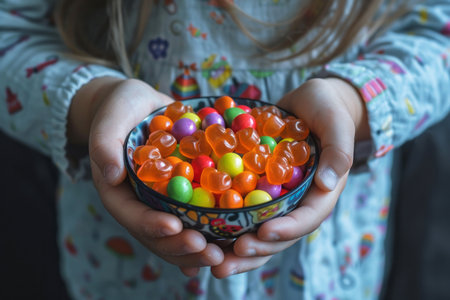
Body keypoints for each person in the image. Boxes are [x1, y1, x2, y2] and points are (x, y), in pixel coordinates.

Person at [1, 0, 449, 299]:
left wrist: (351, 103)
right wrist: (94, 103)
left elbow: (439, 31)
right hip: (123, 271)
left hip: (325, 272)